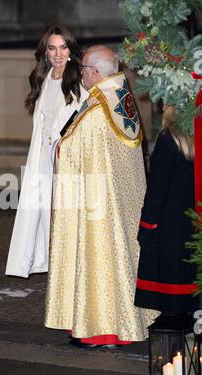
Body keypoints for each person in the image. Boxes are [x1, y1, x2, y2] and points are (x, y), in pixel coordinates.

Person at [45, 46, 158, 348]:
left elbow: (71, 150)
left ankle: (102, 328)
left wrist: (57, 147)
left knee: (100, 258)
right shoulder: (122, 98)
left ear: (94, 72)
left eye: (82, 68)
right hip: (123, 200)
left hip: (99, 207)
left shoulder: (97, 110)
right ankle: (130, 318)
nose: (80, 73)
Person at [5, 25, 88, 278]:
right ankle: (48, 261)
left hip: (67, 158)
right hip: (42, 156)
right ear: (45, 52)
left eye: (63, 47)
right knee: (41, 211)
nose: (58, 54)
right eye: (52, 48)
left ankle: (70, 265)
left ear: (71, 50)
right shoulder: (42, 78)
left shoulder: (79, 81)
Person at [134, 105, 199, 315]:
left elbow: (157, 191)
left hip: (171, 230)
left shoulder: (168, 140)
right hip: (194, 225)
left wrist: (147, 227)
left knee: (174, 300)